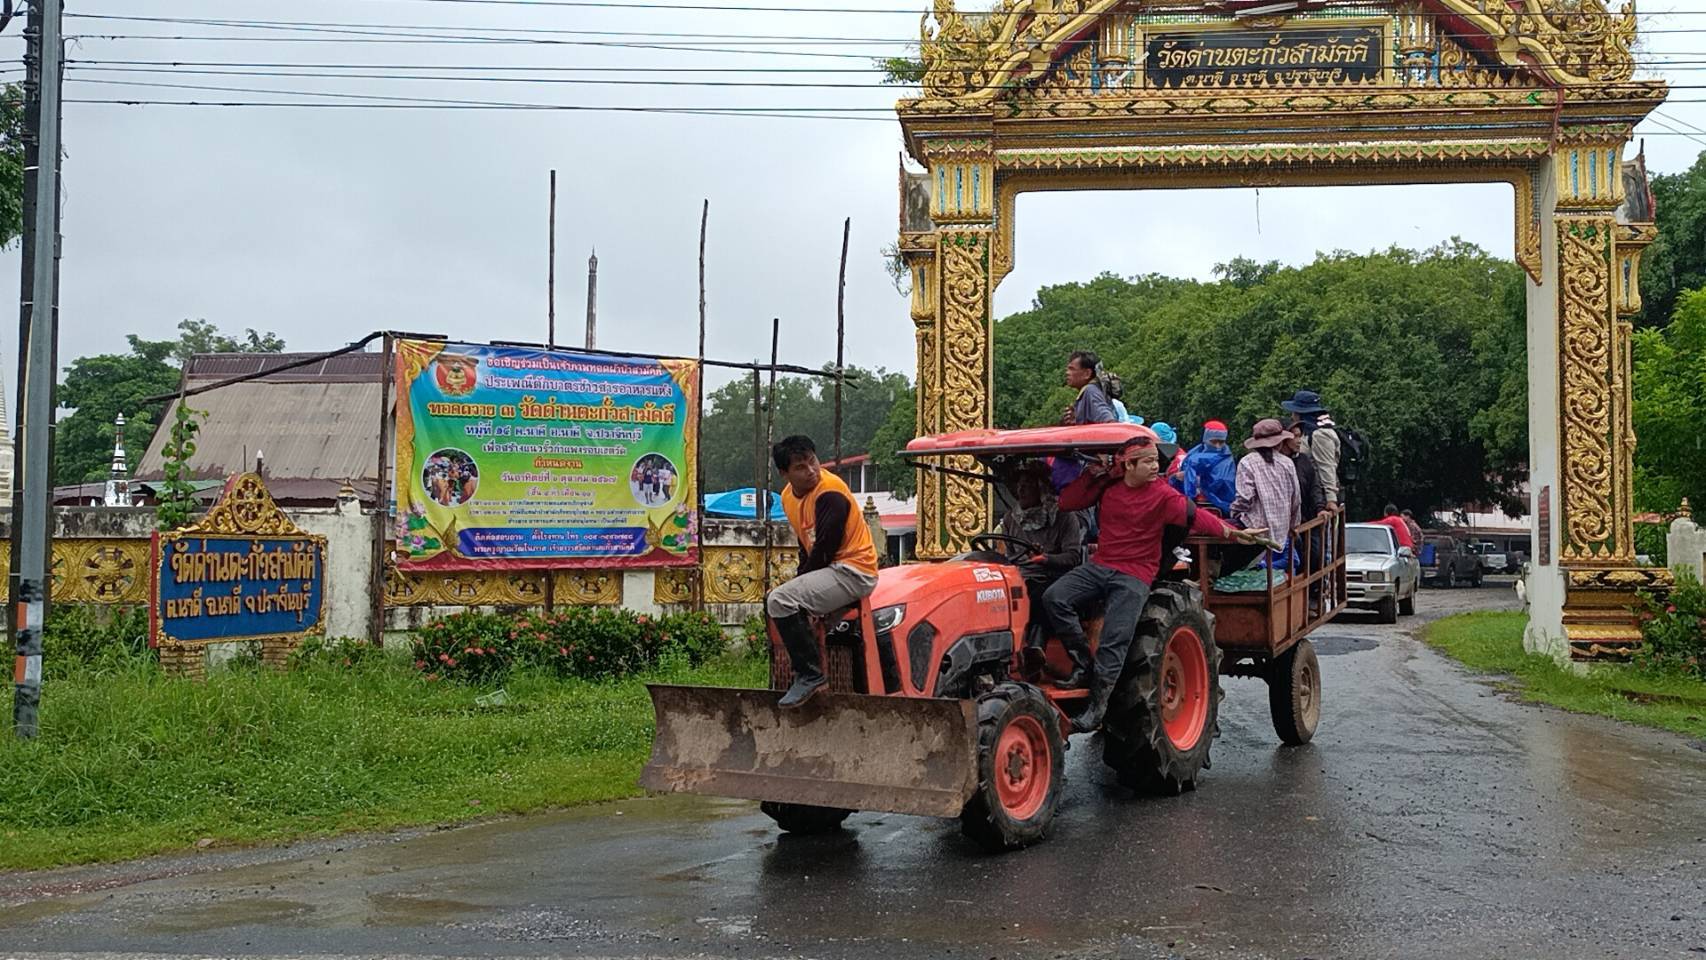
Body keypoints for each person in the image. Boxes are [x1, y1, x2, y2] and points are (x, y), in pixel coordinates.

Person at [1043, 436, 1269, 732]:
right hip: (1102, 565)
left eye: (1155, 460)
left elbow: (1198, 517)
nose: (1156, 466)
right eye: (1148, 461)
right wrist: (1094, 474)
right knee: (1053, 597)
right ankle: (1083, 664)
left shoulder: (1164, 495)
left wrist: (1235, 534)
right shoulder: (1108, 486)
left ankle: (1097, 708)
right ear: (1128, 465)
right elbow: (1068, 502)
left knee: (1115, 639)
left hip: (1135, 574)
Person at [766, 435, 880, 708]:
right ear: (785, 474)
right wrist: (800, 579)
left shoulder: (830, 492)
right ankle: (787, 675)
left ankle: (809, 675)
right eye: (801, 467)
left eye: (813, 461)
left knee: (780, 600)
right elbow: (807, 546)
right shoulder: (787, 498)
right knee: (774, 601)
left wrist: (799, 583)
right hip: (832, 569)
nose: (811, 470)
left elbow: (825, 548)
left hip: (854, 571)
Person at [998, 462, 1086, 675]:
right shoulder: (1011, 518)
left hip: (1055, 575)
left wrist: (1046, 559)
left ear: (1041, 488)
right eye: (1019, 485)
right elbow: (1008, 553)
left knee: (1041, 596)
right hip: (1019, 575)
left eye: (1027, 485)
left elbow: (1073, 556)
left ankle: (1035, 649)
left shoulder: (1065, 516)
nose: (1021, 490)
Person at [1282, 389, 1341, 507]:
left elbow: (1327, 466)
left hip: (1321, 496)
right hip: (1312, 493)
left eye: (1295, 412)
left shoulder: (1320, 435)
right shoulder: (1309, 433)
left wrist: (1331, 499)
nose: (1292, 416)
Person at [1179, 420, 1238, 514]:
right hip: (1194, 505)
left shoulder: (1226, 458)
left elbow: (1225, 481)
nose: (1217, 446)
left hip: (1222, 506)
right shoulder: (1193, 455)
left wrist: (1200, 483)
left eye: (1221, 442)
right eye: (1214, 442)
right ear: (1205, 439)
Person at [1060, 350, 1119, 425]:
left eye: (1072, 369)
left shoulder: (1091, 391)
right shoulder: (1090, 391)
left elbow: (1108, 421)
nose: (1067, 373)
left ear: (1087, 374)